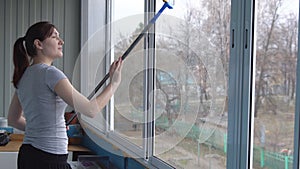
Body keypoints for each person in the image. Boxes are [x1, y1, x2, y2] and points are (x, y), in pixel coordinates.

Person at [7, 21, 123, 169]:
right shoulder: (50, 74)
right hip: (48, 159)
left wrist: (50, 128)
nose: (61, 41)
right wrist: (114, 84)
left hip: (28, 156)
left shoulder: (25, 75)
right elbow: (90, 110)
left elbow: (13, 119)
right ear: (39, 44)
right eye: (55, 37)